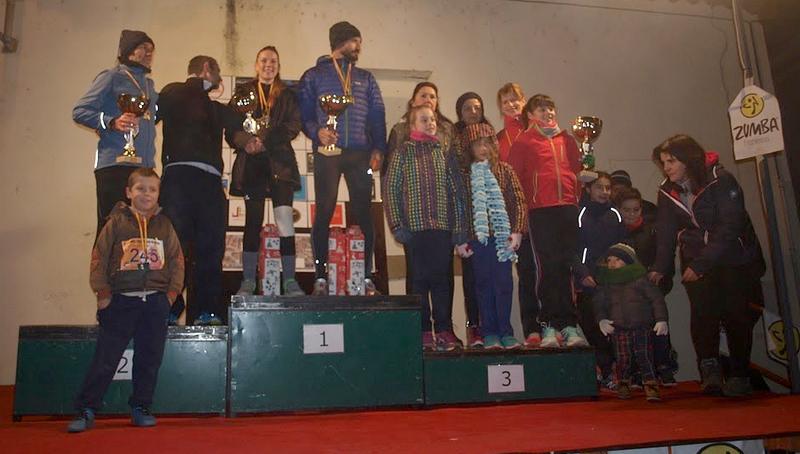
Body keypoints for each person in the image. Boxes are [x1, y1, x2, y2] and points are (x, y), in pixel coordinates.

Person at [68, 168, 184, 433]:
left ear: (158, 194)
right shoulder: (117, 222)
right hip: (120, 301)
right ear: (129, 192)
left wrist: (170, 295)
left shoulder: (165, 225)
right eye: (140, 188)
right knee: (106, 358)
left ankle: (140, 407)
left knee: (149, 358)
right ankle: (86, 409)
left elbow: (177, 260)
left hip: (155, 302)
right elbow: (99, 256)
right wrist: (103, 293)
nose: (146, 194)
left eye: (152, 189)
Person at [650, 134, 765, 397]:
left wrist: (702, 264)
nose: (666, 167)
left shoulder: (721, 180)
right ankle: (709, 369)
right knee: (703, 313)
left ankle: (739, 374)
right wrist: (660, 267)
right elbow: (666, 233)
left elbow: (730, 225)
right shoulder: (666, 191)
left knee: (737, 314)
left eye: (671, 161)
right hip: (695, 255)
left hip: (732, 256)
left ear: (688, 159)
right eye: (664, 162)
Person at [299, 21, 387, 296]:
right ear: (340, 42)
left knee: (364, 212)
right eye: (355, 41)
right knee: (324, 210)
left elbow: (377, 115)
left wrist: (379, 148)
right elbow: (303, 115)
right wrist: (318, 132)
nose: (358, 46)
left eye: (359, 42)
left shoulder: (366, 78)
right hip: (328, 152)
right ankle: (321, 277)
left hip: (360, 152)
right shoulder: (313, 75)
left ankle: (368, 276)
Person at [157, 55, 243, 325]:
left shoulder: (217, 109)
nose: (219, 78)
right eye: (217, 72)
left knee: (211, 249)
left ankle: (207, 310)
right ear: (207, 69)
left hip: (210, 184)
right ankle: (170, 307)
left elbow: (236, 132)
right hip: (179, 178)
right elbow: (150, 115)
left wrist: (251, 142)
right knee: (175, 246)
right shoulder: (174, 92)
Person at [384, 105, 468, 351]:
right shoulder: (402, 153)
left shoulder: (444, 154)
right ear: (412, 126)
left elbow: (457, 192)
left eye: (432, 119)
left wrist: (460, 228)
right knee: (418, 282)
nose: (430, 123)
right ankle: (422, 331)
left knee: (442, 281)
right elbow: (391, 190)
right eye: (423, 120)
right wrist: (397, 224)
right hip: (415, 229)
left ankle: (444, 329)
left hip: (441, 228)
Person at [507, 94, 585, 348]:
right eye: (541, 110)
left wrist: (574, 197)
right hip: (539, 211)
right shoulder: (524, 141)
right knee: (546, 268)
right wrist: (519, 215)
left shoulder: (568, 140)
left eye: (550, 109)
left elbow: (576, 172)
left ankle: (569, 324)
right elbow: (514, 180)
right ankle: (548, 324)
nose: (547, 113)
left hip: (567, 210)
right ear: (530, 115)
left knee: (566, 267)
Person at [227, 46, 304, 297]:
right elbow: (231, 126)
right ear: (256, 65)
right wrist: (245, 141)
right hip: (253, 166)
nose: (268, 64)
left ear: (278, 66)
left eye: (273, 61)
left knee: (284, 221)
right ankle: (248, 281)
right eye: (264, 60)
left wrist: (264, 139)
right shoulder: (243, 92)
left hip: (280, 163)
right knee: (252, 222)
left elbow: (293, 125)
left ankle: (290, 280)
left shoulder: (288, 95)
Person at [73, 29, 158, 238]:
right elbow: (80, 111)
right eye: (143, 48)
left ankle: (135, 272)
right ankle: (102, 272)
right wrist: (111, 122)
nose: (149, 54)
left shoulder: (149, 86)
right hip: (114, 166)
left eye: (152, 50)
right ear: (129, 51)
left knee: (140, 233)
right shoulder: (111, 77)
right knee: (111, 230)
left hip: (143, 169)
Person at [385, 82, 455, 295]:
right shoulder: (400, 133)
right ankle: (420, 325)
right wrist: (397, 221)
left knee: (443, 276)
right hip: (413, 221)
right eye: (423, 95)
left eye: (433, 96)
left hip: (442, 223)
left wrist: (458, 224)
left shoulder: (448, 130)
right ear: (413, 101)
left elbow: (455, 184)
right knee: (417, 276)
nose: (428, 99)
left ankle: (444, 326)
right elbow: (391, 182)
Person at [462, 123, 527, 349]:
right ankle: (488, 331)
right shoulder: (465, 175)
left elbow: (518, 201)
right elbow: (460, 208)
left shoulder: (506, 171)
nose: (483, 148)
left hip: (502, 239)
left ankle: (505, 331)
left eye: (487, 143)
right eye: (478, 144)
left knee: (504, 284)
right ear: (469, 148)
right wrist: (460, 239)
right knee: (482, 284)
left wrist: (517, 230)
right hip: (477, 240)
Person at [615, 187, 679, 386]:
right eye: (627, 210)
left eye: (636, 209)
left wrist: (657, 277)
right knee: (627, 335)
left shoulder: (653, 228)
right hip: (624, 293)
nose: (632, 214)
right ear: (619, 210)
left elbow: (665, 255)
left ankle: (664, 367)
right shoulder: (612, 231)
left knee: (658, 329)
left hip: (650, 288)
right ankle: (634, 371)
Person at [594, 243, 669, 402]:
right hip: (619, 328)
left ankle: (651, 385)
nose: (612, 263)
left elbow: (657, 299)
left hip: (641, 326)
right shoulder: (606, 284)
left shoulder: (640, 280)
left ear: (628, 261)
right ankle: (623, 384)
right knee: (622, 358)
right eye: (609, 260)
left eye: (617, 260)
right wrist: (601, 320)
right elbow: (599, 304)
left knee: (645, 357)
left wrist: (661, 319)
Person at [495, 83, 539, 347]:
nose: (512, 105)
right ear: (500, 106)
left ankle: (553, 326)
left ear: (524, 102)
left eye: (516, 101)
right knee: (526, 272)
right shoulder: (499, 139)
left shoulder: (535, 133)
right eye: (506, 102)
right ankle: (532, 328)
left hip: (542, 210)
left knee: (546, 272)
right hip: (515, 217)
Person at [575, 172, 625, 386]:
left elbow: (623, 247)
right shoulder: (579, 214)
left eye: (608, 188)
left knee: (615, 327)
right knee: (591, 325)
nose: (605, 192)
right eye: (599, 188)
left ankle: (618, 371)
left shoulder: (616, 214)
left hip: (612, 280)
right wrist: (582, 273)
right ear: (588, 189)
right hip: (587, 281)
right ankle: (604, 368)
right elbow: (572, 249)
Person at [453, 91, 491, 348]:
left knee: (491, 278)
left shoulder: (491, 134)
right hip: (466, 221)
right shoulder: (454, 139)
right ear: (460, 112)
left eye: (477, 107)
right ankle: (473, 328)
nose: (473, 112)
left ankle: (492, 326)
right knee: (471, 279)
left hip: (491, 221)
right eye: (467, 108)